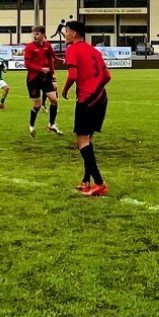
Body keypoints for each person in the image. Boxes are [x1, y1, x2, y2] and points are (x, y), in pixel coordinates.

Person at [60, 20, 112, 195]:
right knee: (86, 140)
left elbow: (73, 75)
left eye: (66, 31)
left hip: (87, 99)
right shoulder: (94, 51)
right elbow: (107, 76)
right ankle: (85, 181)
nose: (64, 34)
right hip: (101, 98)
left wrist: (65, 89)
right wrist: (95, 86)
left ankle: (99, 182)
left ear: (73, 34)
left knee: (82, 141)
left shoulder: (72, 49)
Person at [23, 27, 62, 137]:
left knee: (54, 100)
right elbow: (27, 64)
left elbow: (52, 58)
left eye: (37, 34)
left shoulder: (47, 45)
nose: (35, 36)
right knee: (37, 106)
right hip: (33, 79)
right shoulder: (30, 47)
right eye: (34, 34)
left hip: (46, 77)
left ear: (43, 35)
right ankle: (31, 125)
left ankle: (52, 124)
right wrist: (41, 69)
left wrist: (53, 75)